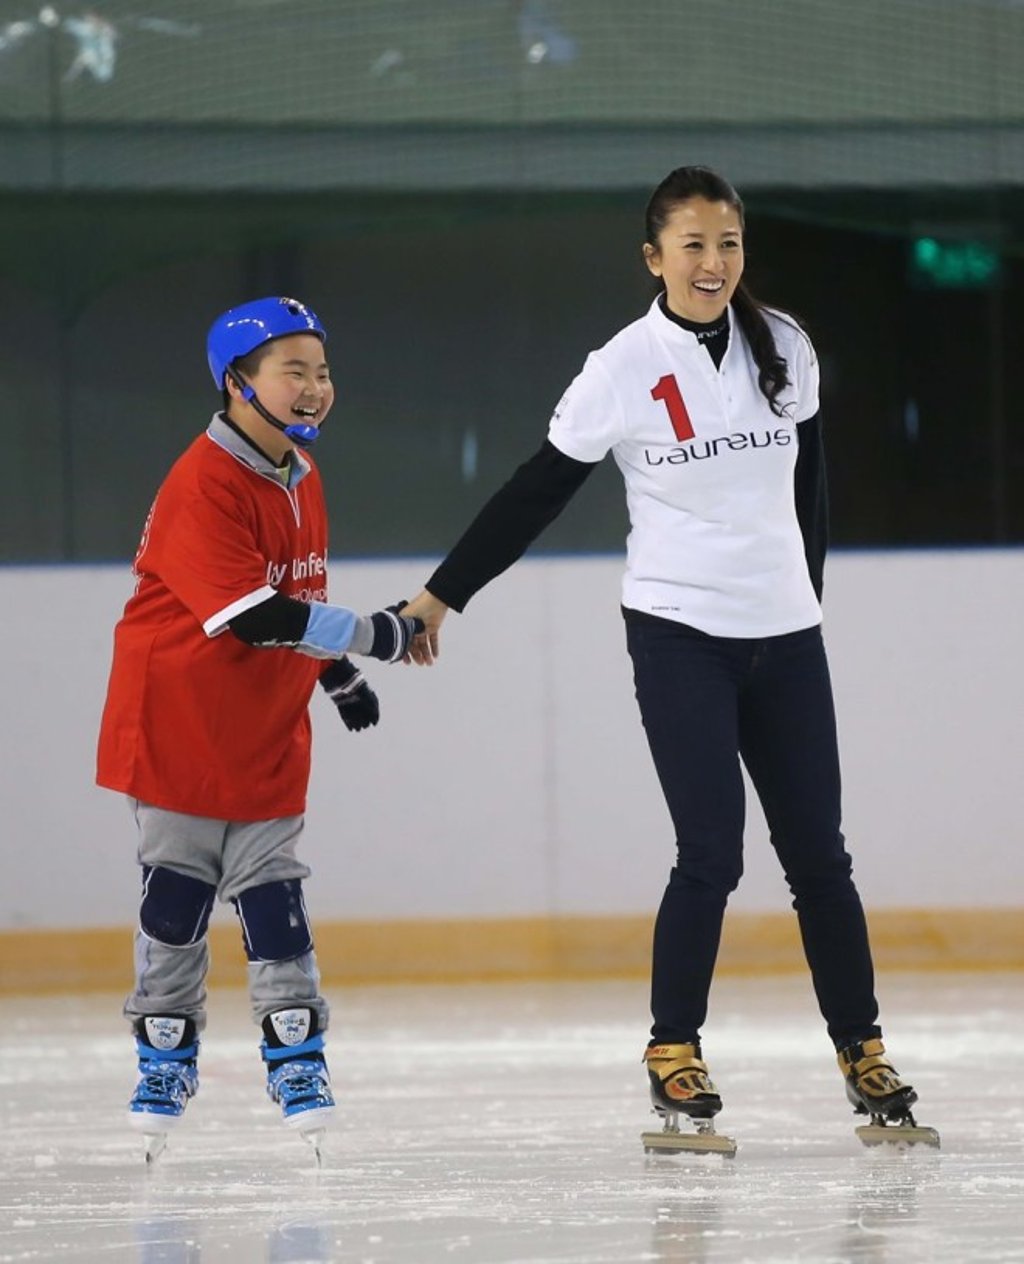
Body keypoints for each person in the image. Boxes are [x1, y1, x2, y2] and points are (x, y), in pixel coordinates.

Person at [401, 167, 927, 1141]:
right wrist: (443, 595)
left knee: (820, 855)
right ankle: (672, 1051)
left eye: (727, 244)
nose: (712, 262)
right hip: (679, 633)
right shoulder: (619, 368)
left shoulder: (785, 346)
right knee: (711, 851)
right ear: (653, 258)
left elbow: (810, 485)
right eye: (691, 244)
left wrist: (802, 595)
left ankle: (862, 1050)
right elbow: (534, 491)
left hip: (785, 637)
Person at [96, 296, 422, 1160]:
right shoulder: (201, 483)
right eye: (294, 372)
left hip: (265, 722)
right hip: (177, 723)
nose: (316, 389)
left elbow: (298, 595)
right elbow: (254, 616)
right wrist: (379, 635)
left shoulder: (300, 476)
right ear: (238, 383)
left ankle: (296, 1052)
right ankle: (164, 1053)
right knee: (179, 895)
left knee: (274, 893)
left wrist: (336, 672)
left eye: (321, 371)